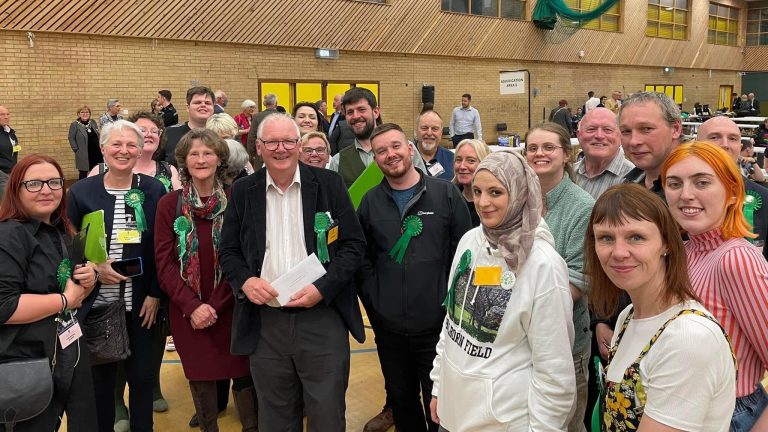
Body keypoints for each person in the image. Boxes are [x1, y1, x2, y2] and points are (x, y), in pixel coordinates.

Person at [220, 113, 366, 431]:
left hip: (322, 316)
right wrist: (245, 280)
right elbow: (228, 251)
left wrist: (323, 288)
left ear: (300, 146)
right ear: (258, 147)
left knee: (327, 414)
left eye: (288, 141)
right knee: (275, 416)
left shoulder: (329, 184)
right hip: (266, 322)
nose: (281, 148)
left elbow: (354, 245)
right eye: (272, 141)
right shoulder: (244, 191)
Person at [429, 150, 576, 431]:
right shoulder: (470, 241)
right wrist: (439, 386)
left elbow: (554, 370)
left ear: (520, 193)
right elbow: (452, 323)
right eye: (478, 191)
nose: (483, 203)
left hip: (505, 421)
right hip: (453, 412)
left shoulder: (543, 265)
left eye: (496, 192)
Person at [586, 182, 737, 431]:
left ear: (666, 243)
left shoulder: (688, 337)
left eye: (636, 237)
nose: (619, 252)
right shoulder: (628, 315)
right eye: (606, 238)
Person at [357, 123, 472, 432]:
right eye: (381, 151)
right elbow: (363, 260)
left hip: (438, 328)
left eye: (395, 146)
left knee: (440, 404)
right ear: (376, 159)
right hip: (389, 329)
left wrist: (449, 306)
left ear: (410, 149)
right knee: (402, 400)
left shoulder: (445, 194)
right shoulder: (369, 202)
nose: (390, 155)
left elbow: (465, 256)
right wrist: (376, 302)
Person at [155, 129, 258, 431]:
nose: (201, 159)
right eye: (194, 154)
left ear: (220, 159)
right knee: (200, 374)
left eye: (208, 153)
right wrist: (193, 306)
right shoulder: (168, 205)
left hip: (233, 305)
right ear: (184, 161)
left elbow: (245, 258)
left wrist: (215, 305)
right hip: (187, 310)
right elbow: (164, 264)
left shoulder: (238, 200)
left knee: (242, 371)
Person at [662, 142, 768, 431]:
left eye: (702, 182)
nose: (686, 195)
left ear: (733, 192)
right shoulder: (684, 252)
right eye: (674, 183)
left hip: (730, 414)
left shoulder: (735, 259)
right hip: (687, 411)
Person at [68, 120, 166, 432]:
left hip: (141, 306)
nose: (123, 151)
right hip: (97, 305)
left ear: (140, 151)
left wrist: (154, 293)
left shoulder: (153, 190)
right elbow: (69, 249)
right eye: (116, 144)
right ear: (103, 149)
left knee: (141, 378)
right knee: (101, 384)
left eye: (131, 145)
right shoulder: (81, 192)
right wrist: (94, 269)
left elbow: (161, 248)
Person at [0, 154, 98, 431]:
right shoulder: (9, 235)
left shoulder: (59, 230)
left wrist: (87, 278)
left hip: (66, 351)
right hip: (25, 360)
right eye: (34, 184)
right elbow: (4, 305)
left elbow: (68, 285)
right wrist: (65, 300)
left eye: (54, 182)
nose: (46, 190)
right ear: (16, 190)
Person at [524, 122, 594, 431]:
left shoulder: (583, 207)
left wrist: (521, 307)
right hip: (521, 342)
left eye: (548, 147)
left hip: (566, 346)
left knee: (563, 425)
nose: (539, 154)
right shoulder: (516, 202)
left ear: (566, 154)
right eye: (533, 148)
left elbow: (580, 279)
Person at [329, 88, 426, 187]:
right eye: (350, 112)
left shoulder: (404, 148)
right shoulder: (338, 161)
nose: (356, 116)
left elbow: (424, 186)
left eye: (361, 109)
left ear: (375, 112)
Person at [619, 91, 682, 198]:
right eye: (626, 131)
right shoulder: (628, 183)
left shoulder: (694, 192)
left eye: (646, 129)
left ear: (675, 129)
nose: (633, 141)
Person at [573, 107, 634, 199]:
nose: (599, 136)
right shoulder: (568, 174)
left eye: (608, 130)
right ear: (578, 135)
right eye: (591, 129)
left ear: (620, 135)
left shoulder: (634, 181)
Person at [164, 87, 215, 166]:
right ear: (188, 107)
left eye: (207, 103)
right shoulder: (169, 133)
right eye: (198, 102)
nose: (203, 105)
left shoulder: (220, 134)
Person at [453, 138, 491, 227]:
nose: (462, 166)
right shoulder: (448, 199)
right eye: (458, 160)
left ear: (484, 163)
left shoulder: (494, 201)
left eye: (471, 161)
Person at [416, 110, 454, 181]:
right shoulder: (405, 158)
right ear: (416, 130)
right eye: (424, 128)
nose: (429, 133)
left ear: (441, 132)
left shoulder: (451, 159)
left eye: (435, 129)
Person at [68, 105, 102, 179]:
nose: (85, 114)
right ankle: (82, 188)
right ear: (78, 114)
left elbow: (98, 134)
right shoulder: (75, 125)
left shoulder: (92, 122)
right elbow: (71, 138)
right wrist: (76, 149)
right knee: (83, 173)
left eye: (87, 112)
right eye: (82, 112)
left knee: (99, 170)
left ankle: (98, 186)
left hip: (97, 152)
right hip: (84, 154)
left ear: (89, 113)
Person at [0, 105, 19, 174]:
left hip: (12, 173)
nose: (6, 117)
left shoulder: (11, 133)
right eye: (2, 114)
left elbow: (15, 151)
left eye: (8, 114)